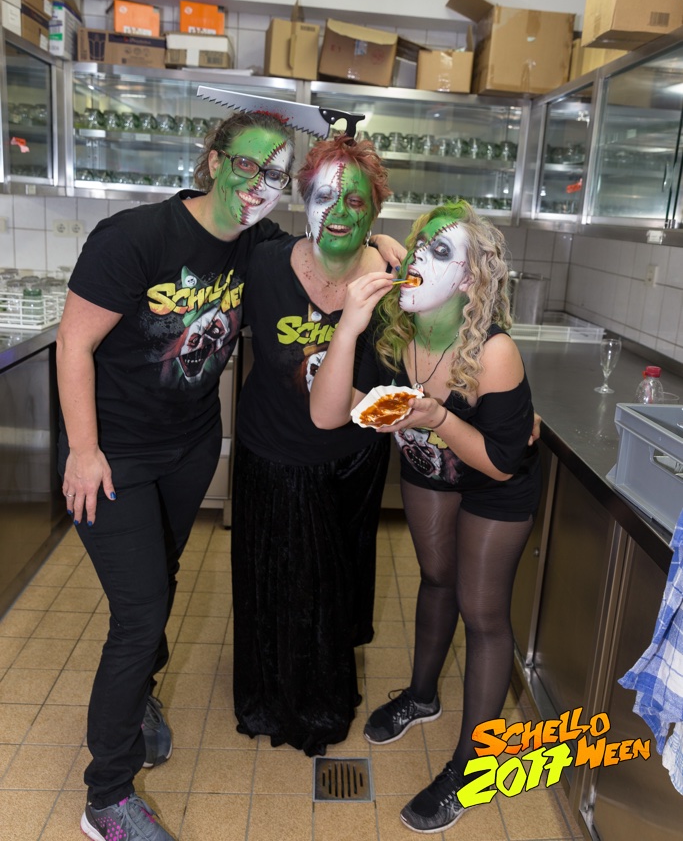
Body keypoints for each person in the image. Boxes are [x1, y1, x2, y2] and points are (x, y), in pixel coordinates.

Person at [56, 109, 299, 841]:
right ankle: (107, 798)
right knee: (139, 616)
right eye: (247, 164)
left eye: (276, 173)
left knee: (160, 578)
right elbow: (72, 345)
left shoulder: (257, 244)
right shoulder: (135, 237)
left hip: (188, 448)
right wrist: (84, 451)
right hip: (114, 455)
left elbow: (324, 256)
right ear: (215, 160)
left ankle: (138, 699)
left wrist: (380, 242)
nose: (258, 184)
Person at [310, 199, 542, 833]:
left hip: (495, 485)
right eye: (418, 247)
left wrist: (436, 417)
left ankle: (471, 767)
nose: (417, 260)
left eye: (439, 253)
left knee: (482, 611)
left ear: (469, 279)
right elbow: (332, 411)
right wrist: (345, 331)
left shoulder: (494, 352)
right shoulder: (395, 334)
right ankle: (421, 696)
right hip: (429, 468)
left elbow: (501, 463)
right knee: (436, 578)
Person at [231, 133, 396, 756]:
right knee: (272, 588)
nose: (339, 212)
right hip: (271, 455)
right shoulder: (264, 263)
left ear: (374, 209)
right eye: (326, 196)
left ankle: (323, 701)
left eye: (356, 201)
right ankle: (266, 698)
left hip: (350, 464)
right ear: (304, 200)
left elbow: (445, 336)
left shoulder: (390, 282)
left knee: (331, 592)